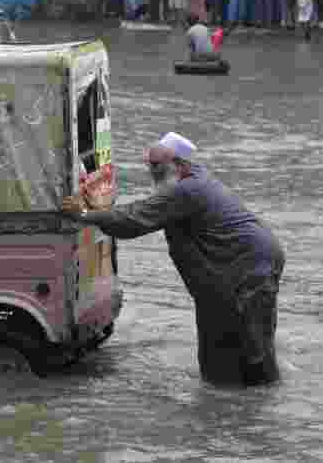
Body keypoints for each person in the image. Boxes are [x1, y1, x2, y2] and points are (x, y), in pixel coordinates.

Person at [62, 132, 285, 387]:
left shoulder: (187, 190)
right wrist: (96, 211)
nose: (152, 172)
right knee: (218, 346)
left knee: (253, 347)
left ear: (180, 164)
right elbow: (141, 210)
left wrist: (83, 214)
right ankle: (226, 403)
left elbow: (134, 220)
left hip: (249, 266)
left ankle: (259, 403)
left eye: (158, 166)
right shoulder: (190, 181)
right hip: (229, 269)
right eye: (150, 166)